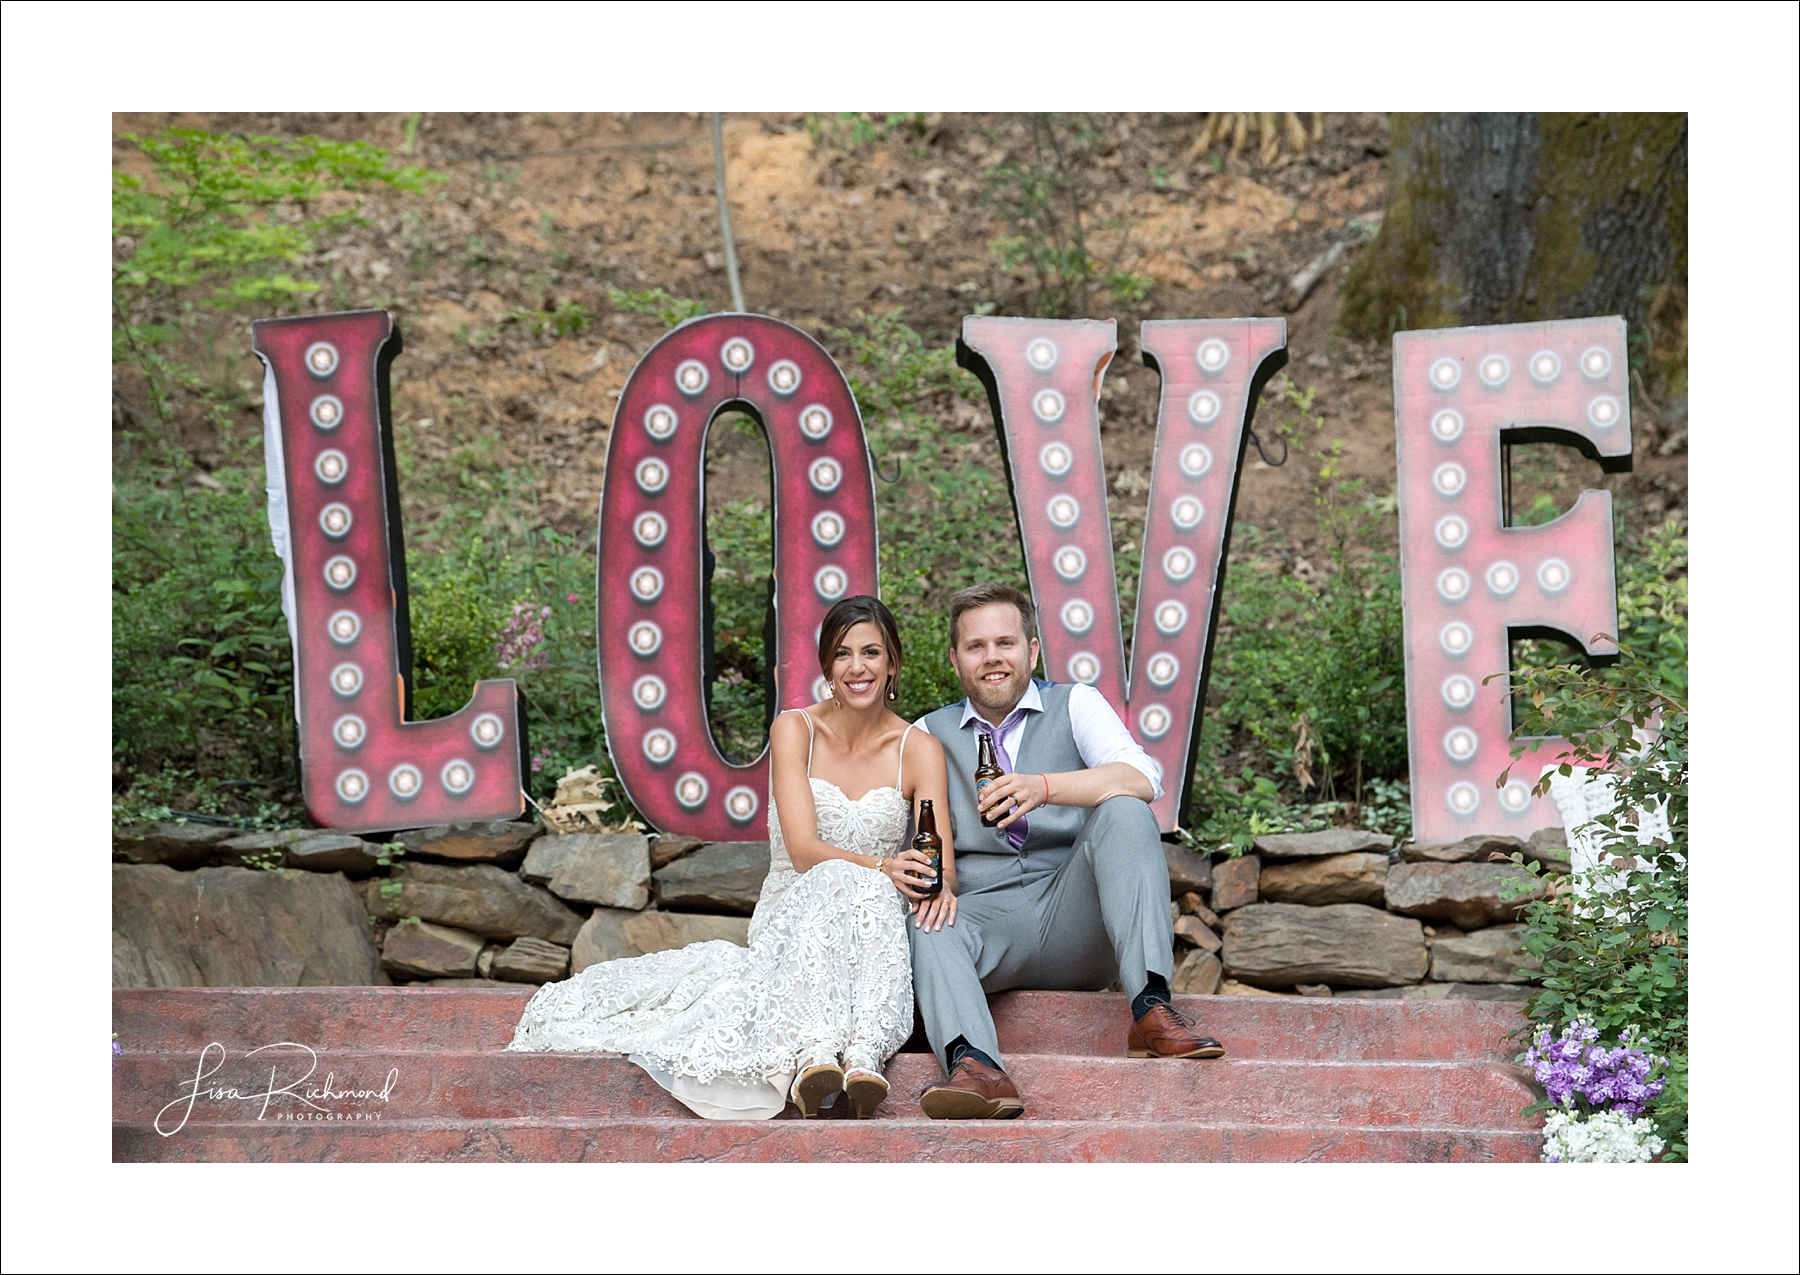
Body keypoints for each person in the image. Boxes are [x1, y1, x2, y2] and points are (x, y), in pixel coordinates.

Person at [509, 595, 956, 1120]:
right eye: (843, 654)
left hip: (872, 927)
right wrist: (884, 866)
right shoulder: (795, 731)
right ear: (826, 668)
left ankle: (862, 1058)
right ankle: (816, 1055)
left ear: (893, 663)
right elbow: (805, 851)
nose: (857, 667)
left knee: (864, 889)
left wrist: (938, 884)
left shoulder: (918, 749)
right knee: (839, 874)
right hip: (798, 912)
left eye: (871, 653)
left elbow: (938, 854)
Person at [909, 582, 1224, 1120]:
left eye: (1005, 643)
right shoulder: (925, 733)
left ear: (1032, 650)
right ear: (956, 660)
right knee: (929, 919)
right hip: (988, 927)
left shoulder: (1075, 703)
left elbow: (1143, 776)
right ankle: (976, 1068)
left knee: (1124, 808)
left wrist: (1044, 787)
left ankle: (1150, 1007)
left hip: (1073, 918)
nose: (992, 658)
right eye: (976, 646)